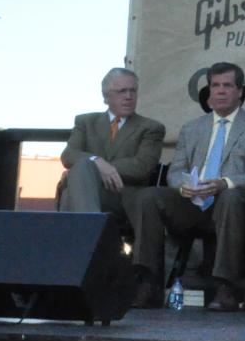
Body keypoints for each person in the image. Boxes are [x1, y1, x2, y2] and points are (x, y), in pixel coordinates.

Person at [124, 62, 245, 310]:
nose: (220, 91)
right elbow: (175, 171)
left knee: (231, 197)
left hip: (232, 206)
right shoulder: (192, 128)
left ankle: (225, 287)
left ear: (240, 91)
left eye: (227, 86)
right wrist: (184, 186)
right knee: (147, 197)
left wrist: (223, 183)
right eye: (215, 86)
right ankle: (148, 283)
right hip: (192, 203)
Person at [57, 67, 165, 226]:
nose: (128, 96)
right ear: (106, 96)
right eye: (122, 91)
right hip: (88, 194)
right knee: (76, 181)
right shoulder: (85, 122)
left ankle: (83, 240)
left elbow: (142, 166)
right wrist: (96, 162)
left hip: (123, 197)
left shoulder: (151, 128)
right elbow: (68, 155)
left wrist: (98, 167)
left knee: (73, 186)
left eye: (133, 91)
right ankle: (91, 236)